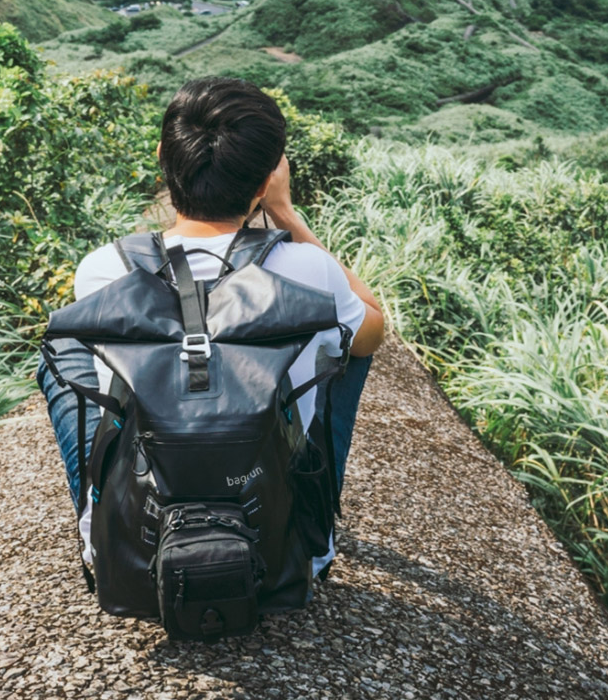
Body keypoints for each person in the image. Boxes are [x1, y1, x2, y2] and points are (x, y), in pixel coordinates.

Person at [39, 76, 384, 570]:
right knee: (344, 339)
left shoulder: (104, 269)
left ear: (163, 158)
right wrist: (285, 214)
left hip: (132, 559)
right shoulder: (308, 272)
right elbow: (374, 332)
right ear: (265, 181)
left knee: (67, 348)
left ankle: (100, 519)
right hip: (286, 557)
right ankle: (312, 512)